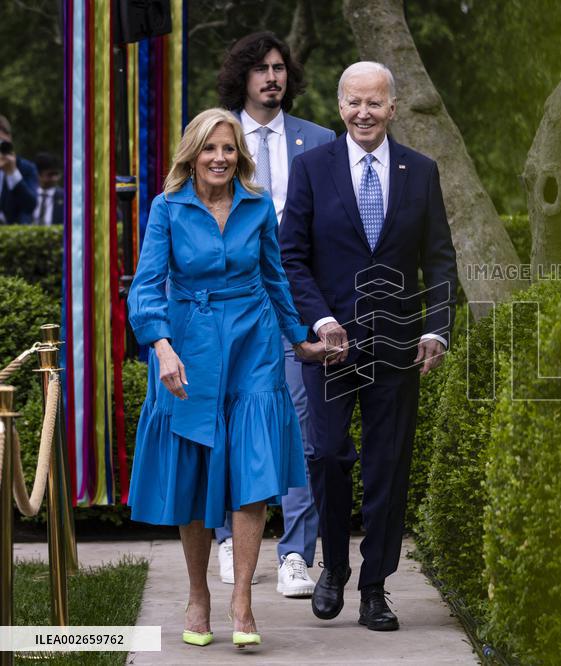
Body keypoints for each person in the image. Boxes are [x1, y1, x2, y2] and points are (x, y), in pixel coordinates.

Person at [127, 108, 324, 648]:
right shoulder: (166, 209)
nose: (220, 158)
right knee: (193, 468)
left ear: (240, 156)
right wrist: (162, 347)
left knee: (253, 465)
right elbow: (145, 287)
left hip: (253, 341)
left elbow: (275, 277)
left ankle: (242, 601)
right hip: (187, 345)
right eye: (210, 148)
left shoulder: (259, 207)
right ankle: (198, 595)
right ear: (192, 154)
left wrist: (300, 336)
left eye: (230, 149)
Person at [280, 62, 458, 631]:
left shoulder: (420, 171)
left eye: (374, 103)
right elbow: (291, 257)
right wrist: (321, 319)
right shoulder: (311, 168)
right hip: (330, 349)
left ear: (393, 108)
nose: (364, 113)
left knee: (388, 466)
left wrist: (435, 328)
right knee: (329, 455)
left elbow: (439, 260)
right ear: (340, 107)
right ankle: (332, 567)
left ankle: (375, 588)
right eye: (354, 102)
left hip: (399, 347)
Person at [213, 30, 335, 599]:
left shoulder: (319, 140)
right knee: (222, 422)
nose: (272, 77)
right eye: (261, 68)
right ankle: (223, 539)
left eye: (280, 67)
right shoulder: (216, 138)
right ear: (243, 75)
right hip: (226, 305)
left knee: (301, 427)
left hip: (292, 303)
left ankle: (294, 553)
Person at [0, 114, 39, 225]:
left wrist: (12, 173)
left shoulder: (26, 168)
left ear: (9, 140)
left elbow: (30, 206)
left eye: (2, 143)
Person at [32, 152, 64, 226]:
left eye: (56, 174)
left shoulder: (65, 198)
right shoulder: (28, 195)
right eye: (50, 175)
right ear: (38, 175)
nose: (55, 179)